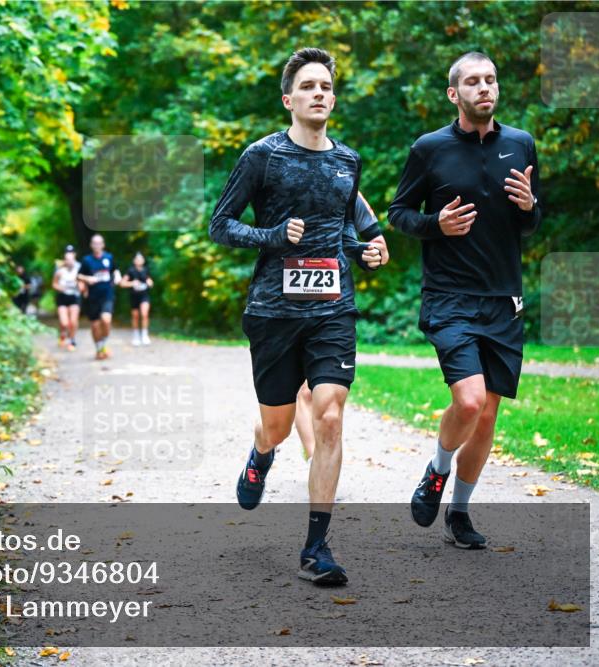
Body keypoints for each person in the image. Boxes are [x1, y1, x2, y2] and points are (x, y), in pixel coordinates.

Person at [209, 48, 386, 586]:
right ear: (289, 99)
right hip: (273, 311)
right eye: (308, 86)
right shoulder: (262, 156)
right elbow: (220, 225)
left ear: (333, 98)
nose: (319, 94)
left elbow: (342, 226)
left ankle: (316, 547)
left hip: (333, 309)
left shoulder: (347, 161)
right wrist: (271, 236)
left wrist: (363, 250)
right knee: (279, 425)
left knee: (330, 414)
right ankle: (261, 454)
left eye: (326, 87)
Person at [389, 51, 541, 549]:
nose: (485, 88)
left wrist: (530, 207)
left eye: (491, 80)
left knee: (488, 414)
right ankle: (436, 471)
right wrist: (437, 225)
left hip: (503, 299)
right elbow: (399, 214)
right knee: (469, 400)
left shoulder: (521, 144)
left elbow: (530, 223)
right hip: (449, 296)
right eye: (473, 81)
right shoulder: (429, 149)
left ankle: (459, 513)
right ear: (455, 94)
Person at [296, 192, 389, 460]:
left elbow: (380, 248)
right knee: (292, 399)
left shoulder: (347, 188)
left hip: (332, 306)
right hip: (285, 303)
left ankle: (318, 460)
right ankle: (268, 448)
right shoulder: (280, 174)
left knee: (315, 392)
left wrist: (370, 253)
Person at [77, 234, 121, 360]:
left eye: (99, 243)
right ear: (91, 245)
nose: (97, 246)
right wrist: (87, 278)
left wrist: (117, 276)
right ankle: (99, 348)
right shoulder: (87, 260)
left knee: (106, 320)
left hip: (107, 294)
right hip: (92, 297)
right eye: (94, 243)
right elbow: (79, 276)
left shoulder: (109, 257)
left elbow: (116, 270)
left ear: (103, 244)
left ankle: (103, 344)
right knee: (95, 325)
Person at [121, 252, 154, 346]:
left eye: (141, 258)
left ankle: (144, 335)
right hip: (134, 296)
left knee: (144, 314)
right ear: (134, 260)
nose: (139, 260)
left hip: (144, 295)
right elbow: (122, 283)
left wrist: (150, 282)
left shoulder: (146, 270)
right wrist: (132, 283)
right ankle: (136, 336)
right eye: (137, 259)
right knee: (135, 316)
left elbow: (150, 280)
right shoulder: (130, 271)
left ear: (143, 260)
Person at [52, 245, 81, 351]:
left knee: (73, 320)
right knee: (64, 322)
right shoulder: (59, 269)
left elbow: (83, 282)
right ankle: (63, 333)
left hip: (74, 296)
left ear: (75, 255)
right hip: (62, 297)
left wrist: (80, 286)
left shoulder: (80, 267)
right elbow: (54, 284)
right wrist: (61, 288)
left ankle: (72, 340)